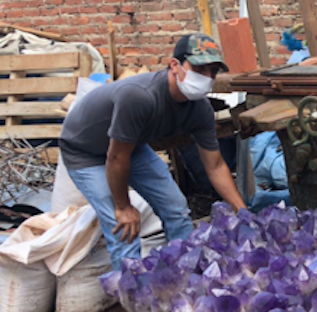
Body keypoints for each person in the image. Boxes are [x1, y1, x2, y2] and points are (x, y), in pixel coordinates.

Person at [60, 33, 247, 270]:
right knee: (124, 227)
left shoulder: (200, 110)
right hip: (85, 152)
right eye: (199, 69)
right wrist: (123, 206)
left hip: (130, 147)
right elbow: (116, 158)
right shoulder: (140, 97)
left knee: (176, 209)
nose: (207, 77)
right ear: (175, 65)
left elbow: (216, 165)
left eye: (212, 72)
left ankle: (185, 276)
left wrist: (242, 212)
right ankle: (132, 289)